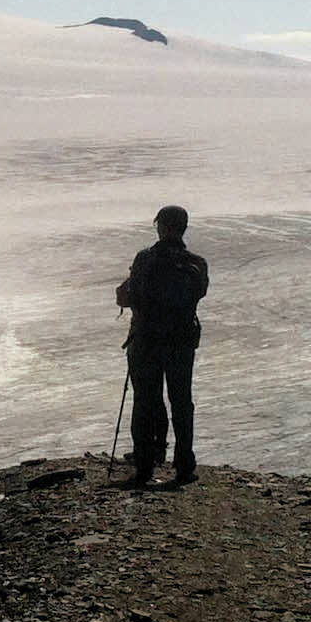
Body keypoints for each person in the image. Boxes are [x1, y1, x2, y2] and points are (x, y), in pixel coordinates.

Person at [115, 205, 208, 488]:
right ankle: (184, 467)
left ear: (160, 226)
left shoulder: (145, 259)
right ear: (183, 228)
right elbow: (200, 293)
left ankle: (144, 467)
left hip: (146, 341)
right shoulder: (197, 263)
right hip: (181, 342)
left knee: (145, 401)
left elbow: (126, 297)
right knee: (182, 403)